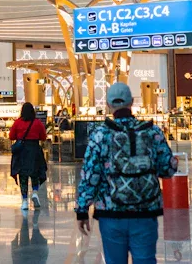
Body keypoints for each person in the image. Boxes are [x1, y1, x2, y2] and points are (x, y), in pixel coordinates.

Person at [76, 83, 178, 264]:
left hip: (111, 213)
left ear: (108, 105)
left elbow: (90, 175)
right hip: (145, 212)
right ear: (131, 102)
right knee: (145, 259)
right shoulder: (152, 132)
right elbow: (168, 169)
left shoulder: (100, 134)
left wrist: (82, 210)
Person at [9, 102, 47, 212]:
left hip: (22, 152)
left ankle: (25, 201)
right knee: (35, 173)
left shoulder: (17, 123)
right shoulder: (37, 123)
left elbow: (11, 136)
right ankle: (35, 192)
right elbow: (43, 136)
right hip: (34, 150)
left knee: (23, 176)